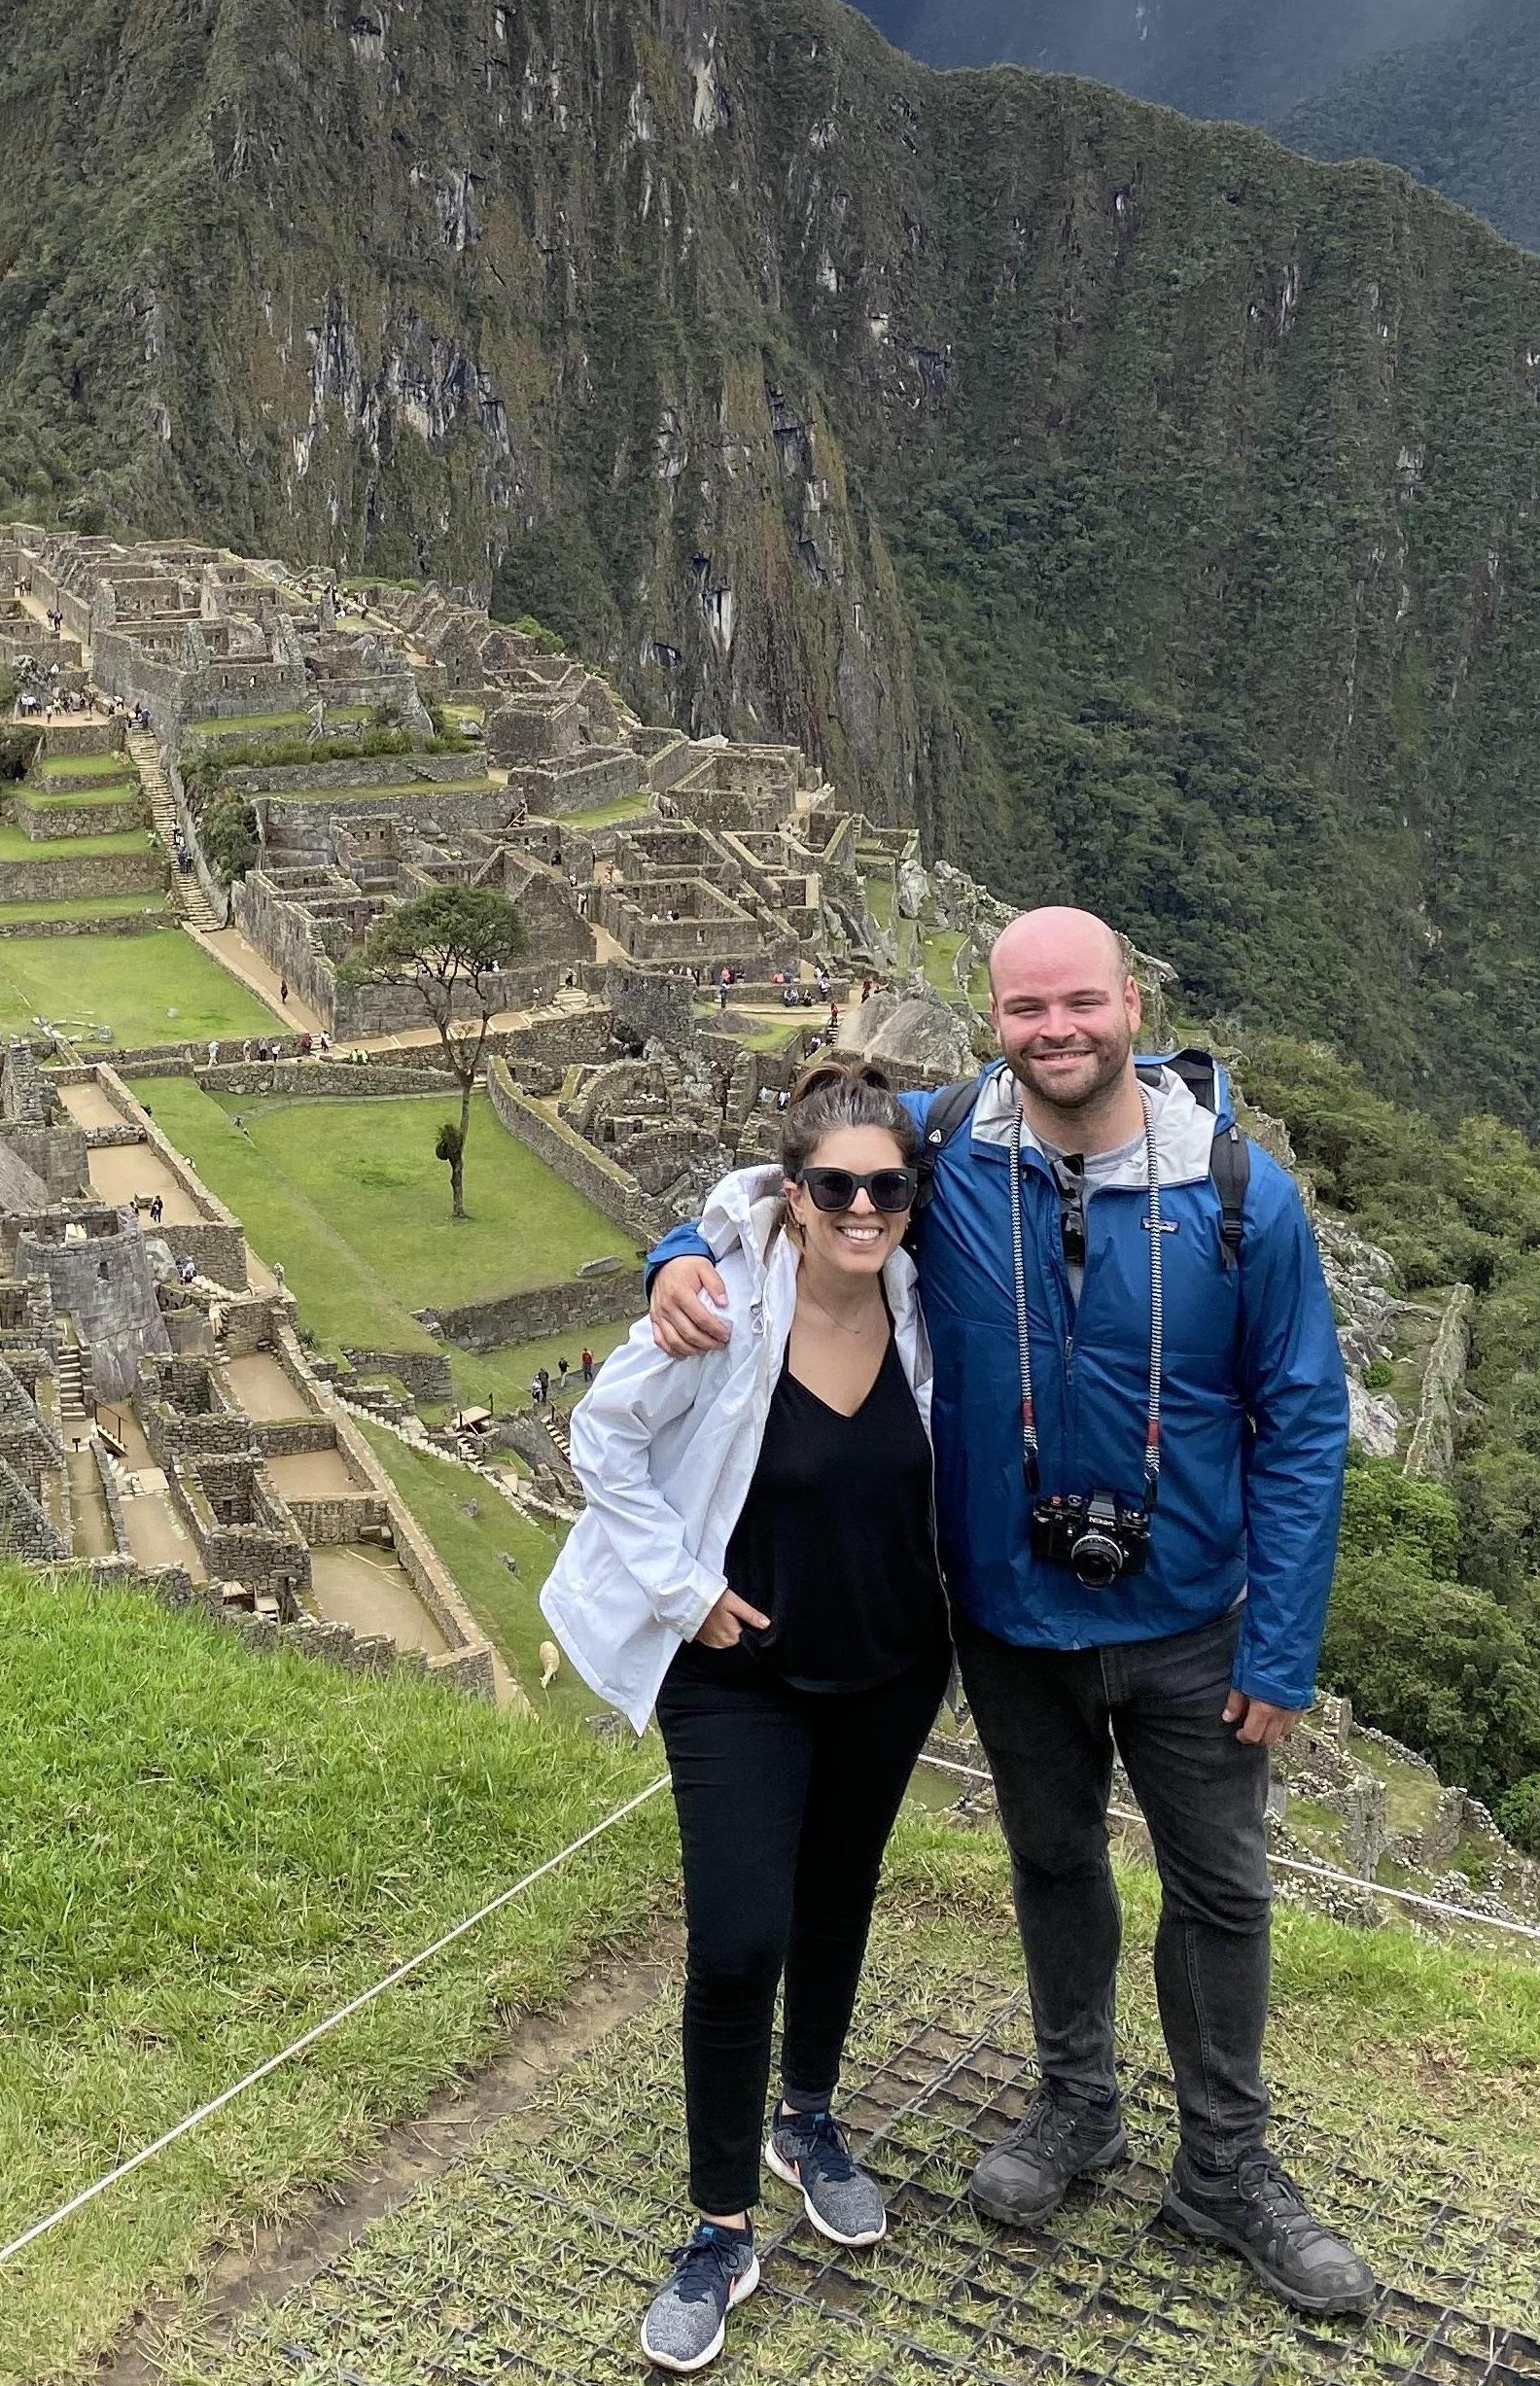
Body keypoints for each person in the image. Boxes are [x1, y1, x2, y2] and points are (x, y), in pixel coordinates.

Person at [646, 909, 1372, 2321]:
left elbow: (1302, 1418)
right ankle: (1075, 2108)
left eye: (1081, 1004)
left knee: (1220, 1888)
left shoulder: (1239, 1192)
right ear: (993, 1021)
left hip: (1190, 1620)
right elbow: (794, 1161)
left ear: (1132, 1003)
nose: (1057, 1032)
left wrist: (1283, 1640)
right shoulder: (954, 1143)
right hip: (1009, 1614)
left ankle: (1227, 2165)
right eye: (1027, 1009)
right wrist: (679, 1243)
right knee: (1051, 1860)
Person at [548, 1061, 953, 2375]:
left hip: (889, 1660)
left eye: (887, 1186)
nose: (863, 1207)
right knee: (737, 1939)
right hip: (737, 1672)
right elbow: (600, 1437)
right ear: (793, 1193)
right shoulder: (720, 1305)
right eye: (836, 1185)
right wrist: (688, 1591)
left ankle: (810, 2116)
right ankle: (721, 2226)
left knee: (839, 1892)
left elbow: (1025, 1091)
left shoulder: (927, 1298)